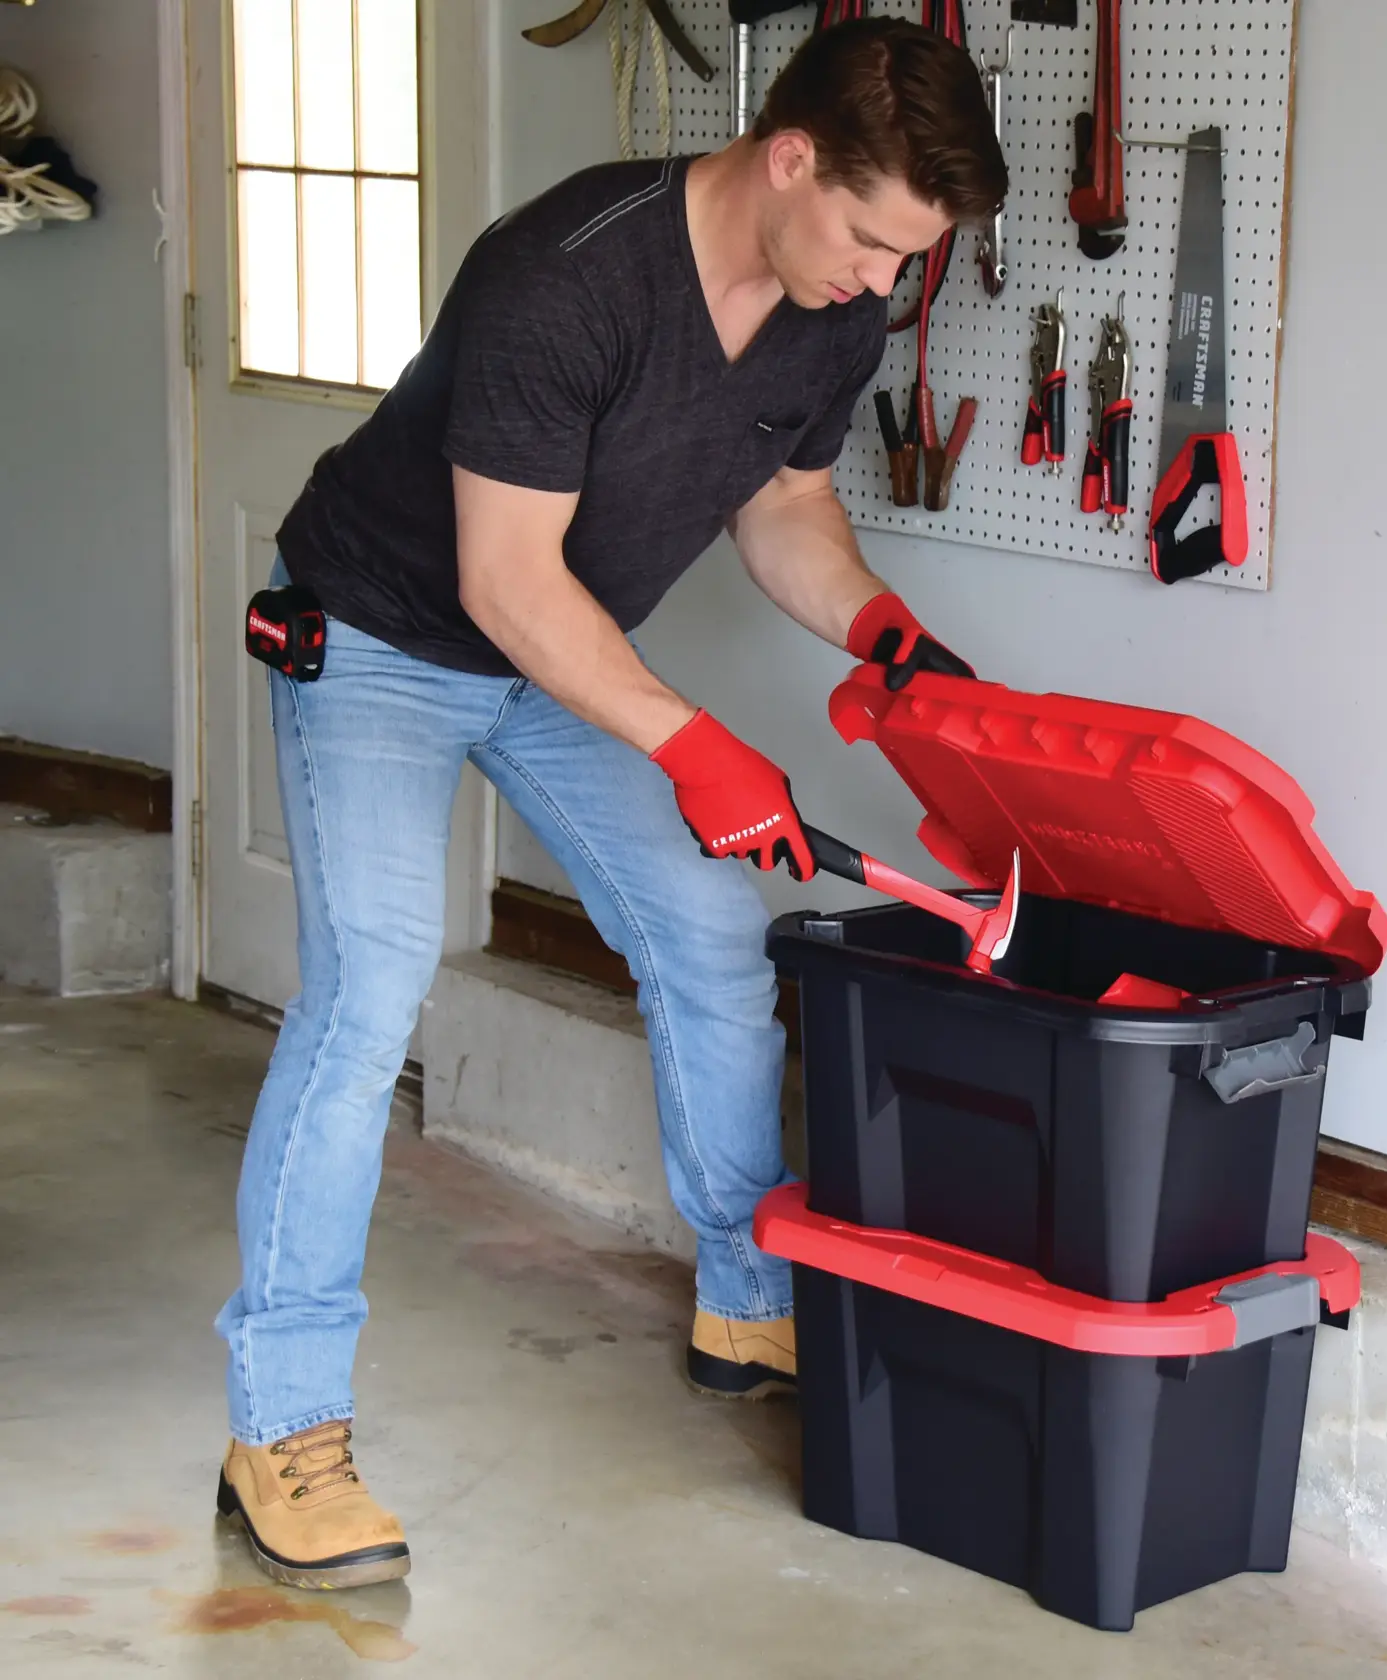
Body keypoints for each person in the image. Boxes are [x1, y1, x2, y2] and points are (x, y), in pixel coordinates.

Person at [211, 16, 1007, 1592]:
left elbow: (784, 511)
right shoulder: (563, 273)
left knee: (714, 932)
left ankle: (742, 1293)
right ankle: (281, 1428)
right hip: (384, 633)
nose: (878, 281)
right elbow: (503, 583)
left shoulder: (834, 303)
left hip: (554, 646)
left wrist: (887, 634)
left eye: (908, 256)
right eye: (866, 236)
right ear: (788, 158)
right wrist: (696, 745)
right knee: (372, 990)